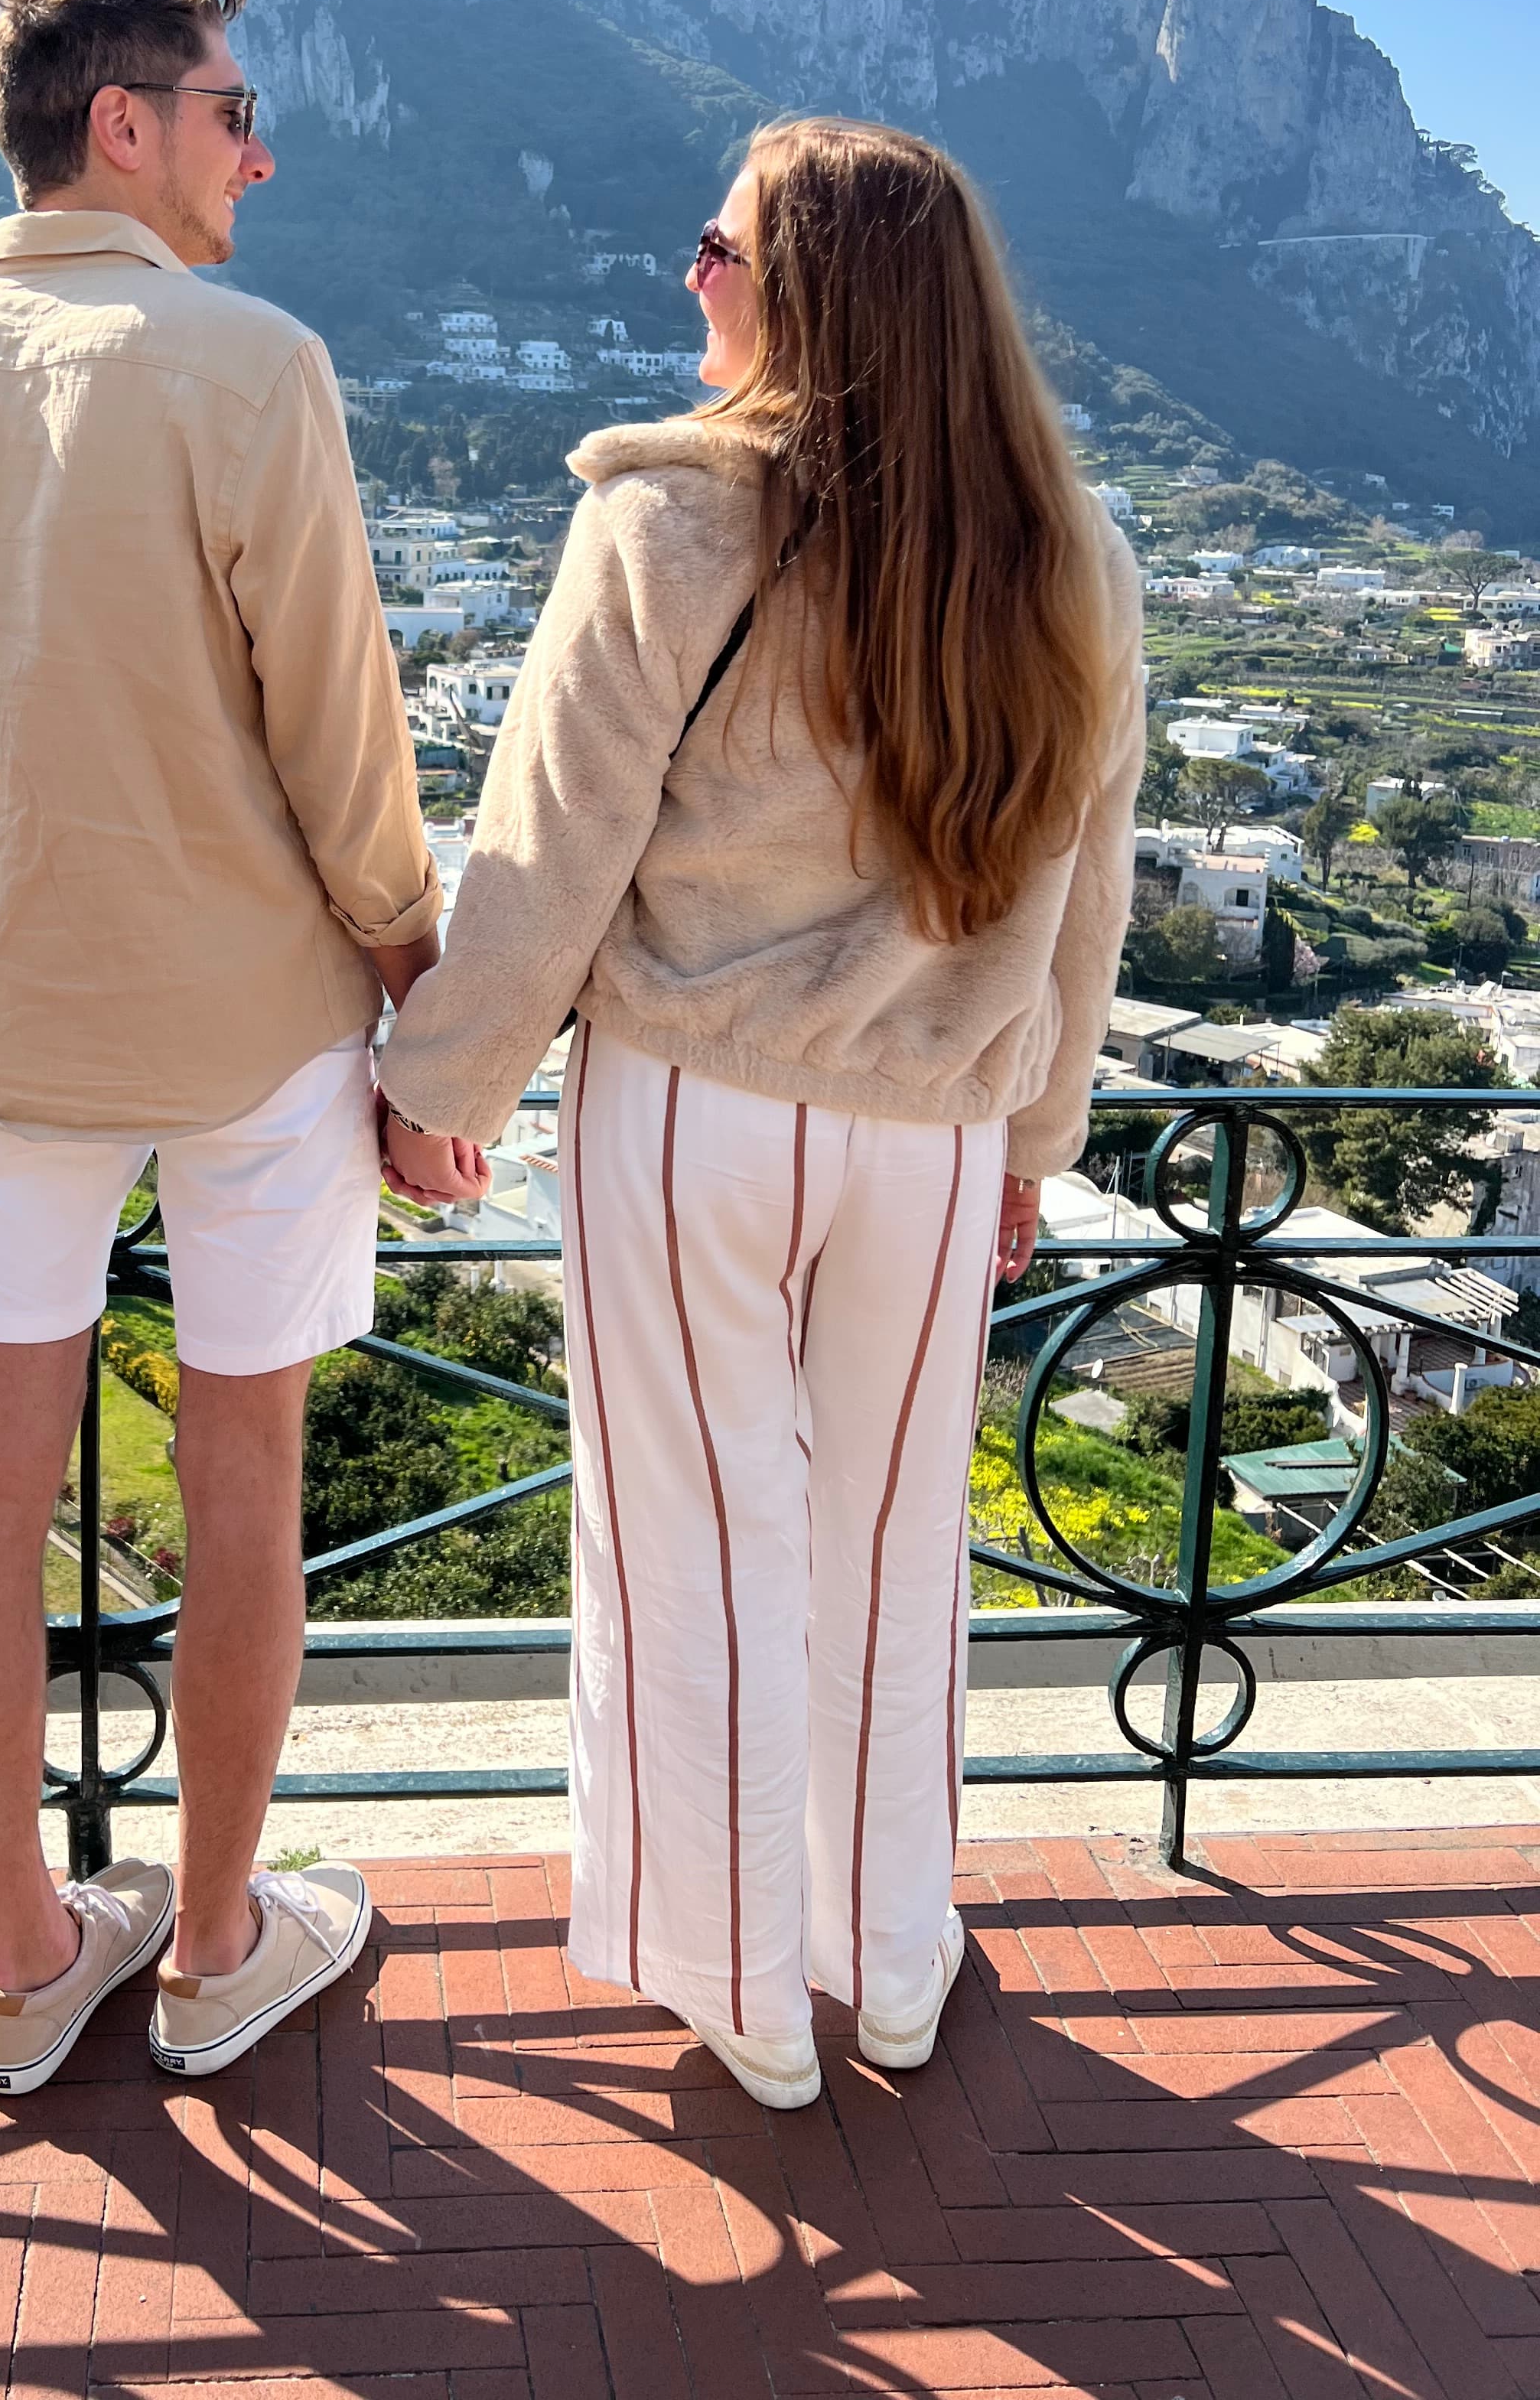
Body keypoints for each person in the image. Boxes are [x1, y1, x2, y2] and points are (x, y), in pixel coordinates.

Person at [0, 0, 472, 2096]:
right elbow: (343, 736)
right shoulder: (253, 365)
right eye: (234, 110)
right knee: (245, 1473)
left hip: (10, 1026)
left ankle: (31, 1958)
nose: (263, 152)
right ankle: (220, 1947)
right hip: (257, 1026)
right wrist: (425, 1015)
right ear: (122, 124)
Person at [375, 117, 1142, 2105]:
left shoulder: (667, 519)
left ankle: (740, 1985)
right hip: (932, 1124)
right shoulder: (1072, 553)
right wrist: (1034, 1138)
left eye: (719, 247)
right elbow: (1087, 889)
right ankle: (891, 1959)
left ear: (808, 291)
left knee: (692, 1545)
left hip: (694, 1107)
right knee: (894, 1548)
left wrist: (443, 1088)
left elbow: (551, 844)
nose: (689, 273)